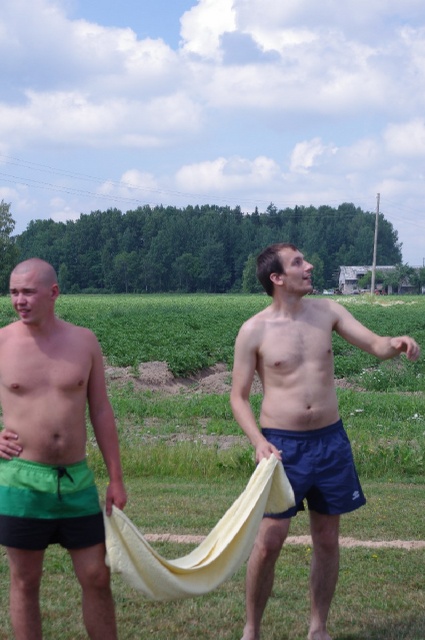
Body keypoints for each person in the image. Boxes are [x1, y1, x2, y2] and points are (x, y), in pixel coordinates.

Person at [230, 243, 420, 640]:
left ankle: (318, 629)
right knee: (269, 541)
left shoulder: (328, 312)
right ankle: (252, 630)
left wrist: (395, 343)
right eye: (298, 262)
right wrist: (258, 442)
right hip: (282, 447)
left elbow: (374, 344)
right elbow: (238, 397)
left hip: (330, 441)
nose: (310, 266)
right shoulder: (253, 330)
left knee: (327, 538)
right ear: (277, 278)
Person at [0, 258, 127, 640]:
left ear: (53, 292)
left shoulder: (84, 341)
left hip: (76, 480)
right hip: (21, 481)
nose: (19, 301)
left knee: (97, 575)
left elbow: (101, 411)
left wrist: (116, 478)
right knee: (25, 580)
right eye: (13, 292)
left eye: (28, 292)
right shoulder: (2, 342)